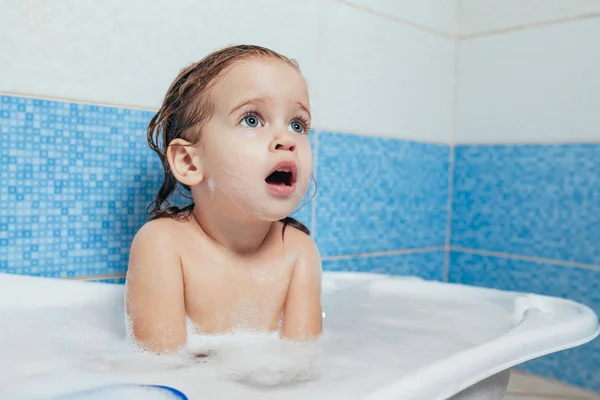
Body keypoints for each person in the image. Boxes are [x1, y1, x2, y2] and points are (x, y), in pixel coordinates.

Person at [125, 44, 323, 354]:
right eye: (252, 120)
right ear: (190, 163)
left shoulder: (298, 252)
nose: (287, 140)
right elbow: (159, 367)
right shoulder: (163, 244)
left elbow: (303, 364)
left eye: (297, 124)